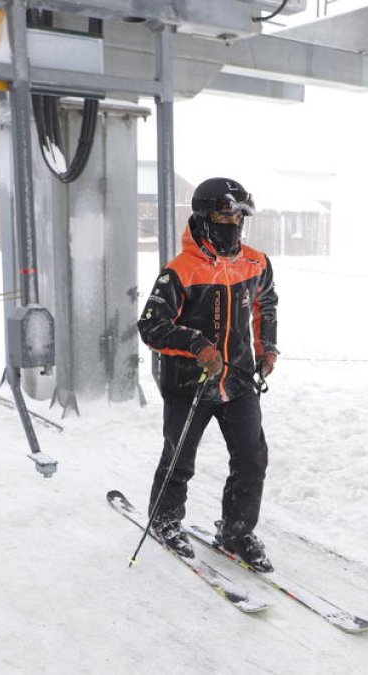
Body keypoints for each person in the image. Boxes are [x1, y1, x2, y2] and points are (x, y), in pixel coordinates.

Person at [138, 177, 280, 572]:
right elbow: (150, 325)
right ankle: (165, 519)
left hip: (238, 380)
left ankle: (235, 531)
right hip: (188, 384)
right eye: (225, 215)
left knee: (252, 460)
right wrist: (197, 345)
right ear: (203, 218)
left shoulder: (256, 262)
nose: (234, 223)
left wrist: (267, 348)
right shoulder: (179, 270)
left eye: (240, 216)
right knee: (180, 459)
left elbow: (265, 305)